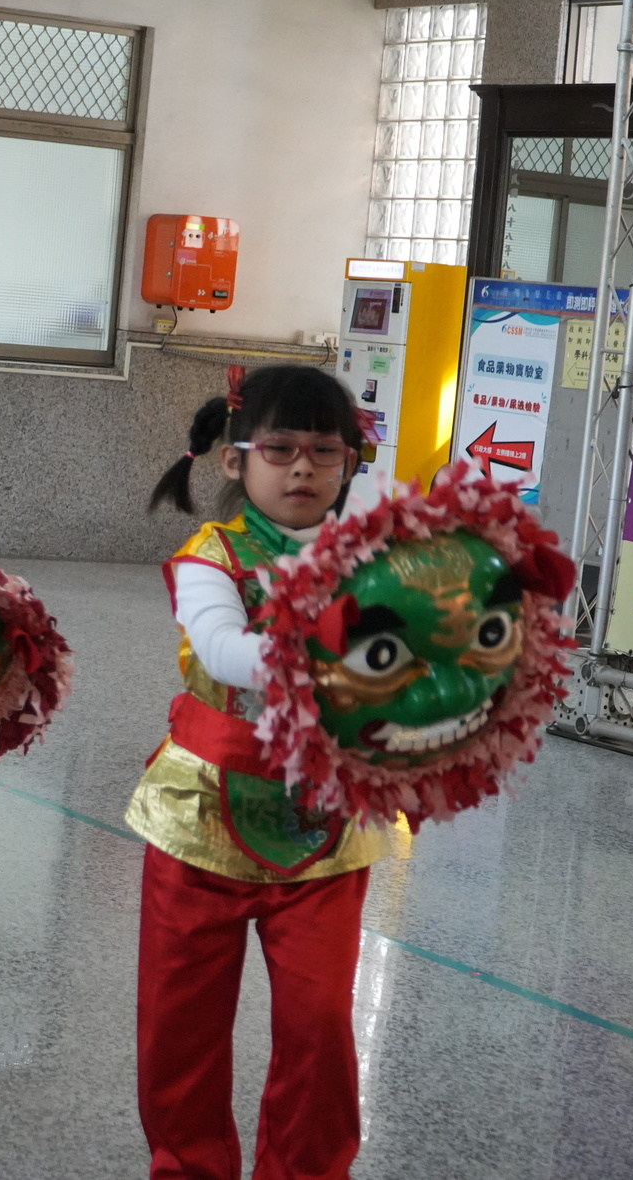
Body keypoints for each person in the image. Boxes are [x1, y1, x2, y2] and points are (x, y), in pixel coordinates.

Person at [130, 364, 385, 1180]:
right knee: (180, 1024)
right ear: (237, 460)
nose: (304, 468)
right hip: (198, 815)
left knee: (318, 1025)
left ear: (352, 461)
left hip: (325, 821)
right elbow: (224, 652)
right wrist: (356, 659)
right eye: (280, 449)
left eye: (325, 451)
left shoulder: (374, 558)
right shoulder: (213, 554)